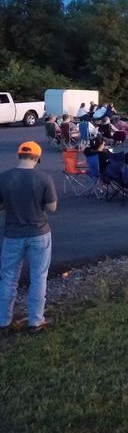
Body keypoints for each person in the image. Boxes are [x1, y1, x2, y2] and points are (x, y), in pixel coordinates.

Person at [0, 142, 57, 333]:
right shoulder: (43, 178)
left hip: (13, 234)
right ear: (37, 158)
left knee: (8, 277)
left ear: (19, 156)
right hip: (39, 233)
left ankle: (3, 320)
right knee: (38, 276)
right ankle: (35, 320)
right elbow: (52, 207)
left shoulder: (4, 178)